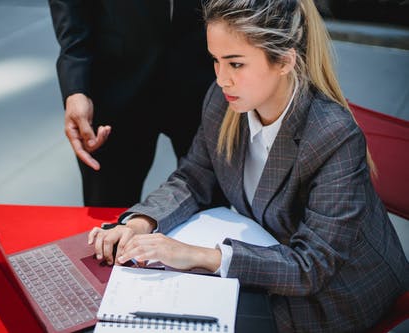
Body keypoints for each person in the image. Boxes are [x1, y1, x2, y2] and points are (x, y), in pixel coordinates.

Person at [87, 0, 409, 332]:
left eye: (236, 64)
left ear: (284, 60)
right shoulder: (223, 101)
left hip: (341, 291)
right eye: (215, 60)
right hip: (270, 255)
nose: (222, 79)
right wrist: (141, 222)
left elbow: (311, 267)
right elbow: (194, 177)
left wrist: (199, 256)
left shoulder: (332, 135)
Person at [48, 0, 217, 207]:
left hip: (207, 74)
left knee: (210, 211)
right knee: (109, 213)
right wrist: (76, 87)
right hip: (114, 81)